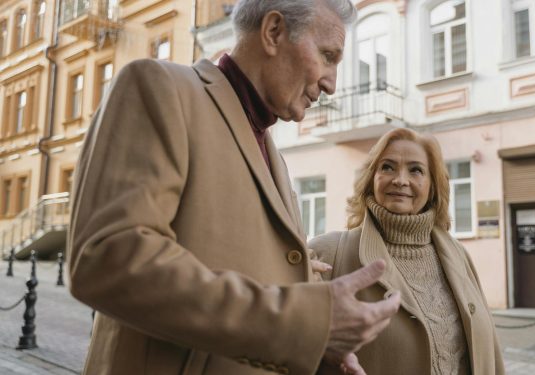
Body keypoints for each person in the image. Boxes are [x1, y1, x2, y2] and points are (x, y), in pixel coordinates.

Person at [66, 1, 401, 374]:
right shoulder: (161, 88)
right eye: (327, 56)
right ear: (273, 32)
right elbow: (110, 259)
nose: (331, 84)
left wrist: (318, 346)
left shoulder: (273, 153)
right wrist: (307, 323)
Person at [310, 128, 505, 374]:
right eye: (388, 167)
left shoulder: (457, 254)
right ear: (371, 178)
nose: (400, 180)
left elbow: (489, 352)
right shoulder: (329, 252)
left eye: (416, 170)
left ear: (432, 186)